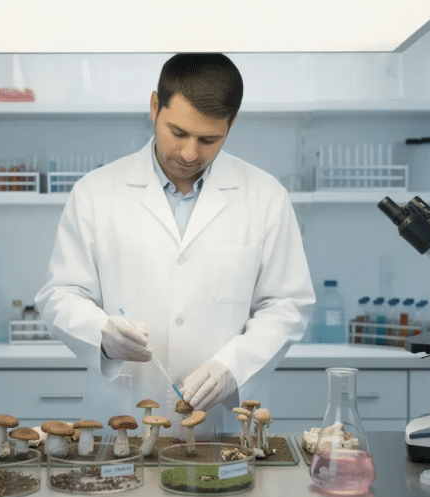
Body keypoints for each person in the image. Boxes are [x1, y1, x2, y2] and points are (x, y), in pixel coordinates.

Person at [35, 52, 315, 436]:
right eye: (178, 132)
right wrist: (101, 333)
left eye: (208, 139)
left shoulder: (265, 196)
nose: (189, 153)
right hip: (123, 420)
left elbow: (287, 305)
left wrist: (234, 366)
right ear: (154, 107)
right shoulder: (96, 193)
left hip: (224, 426)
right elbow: (60, 295)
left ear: (231, 124)